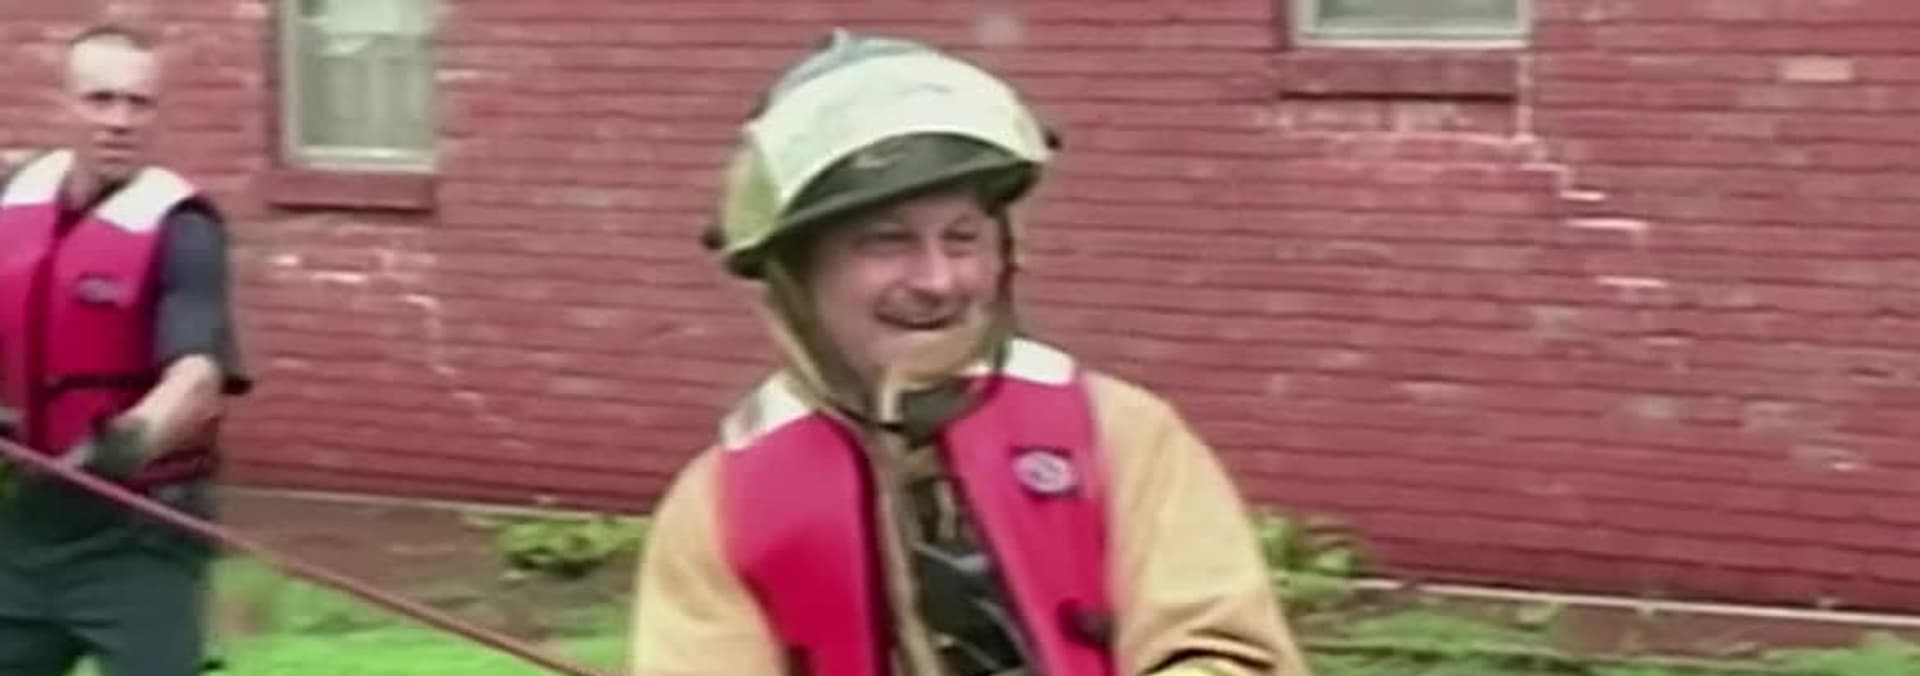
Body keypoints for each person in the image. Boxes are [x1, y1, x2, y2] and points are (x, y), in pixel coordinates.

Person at [628, 29, 1313, 676]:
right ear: (797, 276)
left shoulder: (1122, 437)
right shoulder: (721, 507)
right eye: (886, 241)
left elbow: (1224, 651)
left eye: (962, 239)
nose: (938, 281)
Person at [0, 23, 252, 676]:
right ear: (64, 104)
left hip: (141, 533)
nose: (120, 121)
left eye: (139, 104)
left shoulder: (183, 229)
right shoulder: (14, 201)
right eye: (100, 99)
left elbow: (197, 379)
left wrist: (128, 443)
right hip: (28, 524)